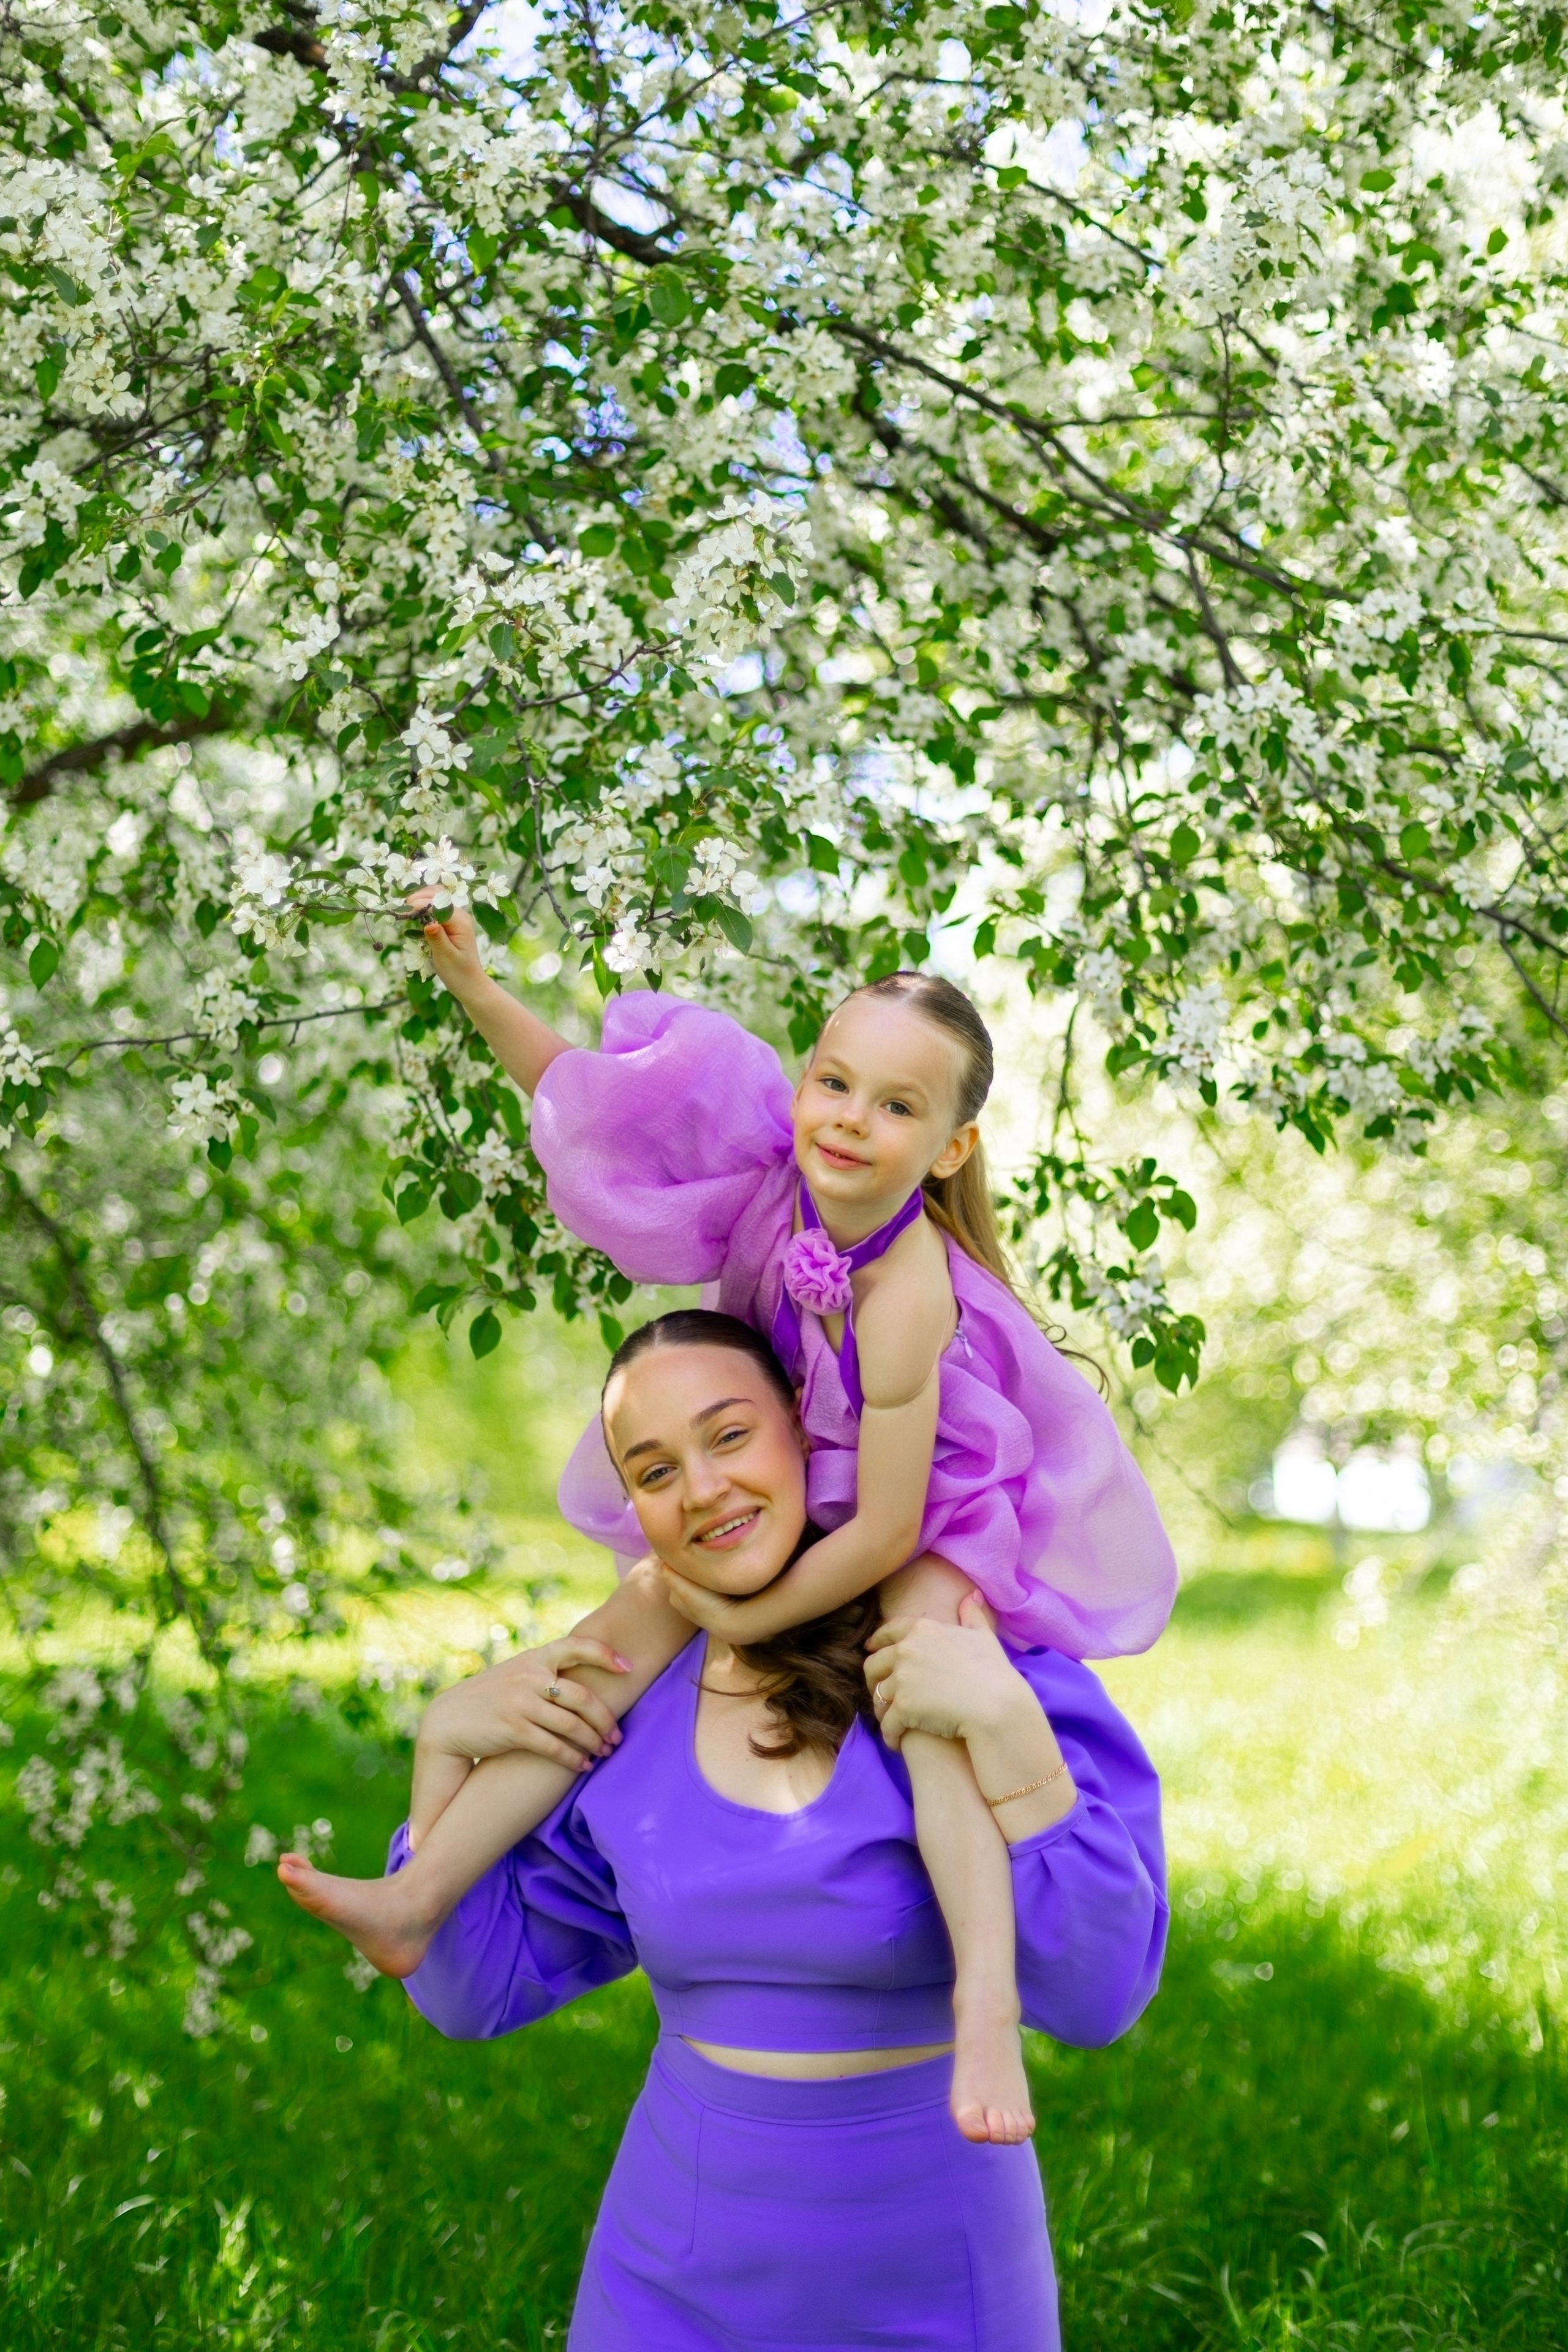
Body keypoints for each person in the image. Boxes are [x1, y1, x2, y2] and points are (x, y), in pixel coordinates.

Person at [287, 901, 1176, 2143]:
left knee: (928, 1696)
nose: (849, 1119)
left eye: (896, 1107)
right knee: (603, 1658)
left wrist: (748, 1616)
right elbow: (588, 1101)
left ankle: (982, 2003)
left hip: (928, 1509)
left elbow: (885, 1531)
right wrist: (477, 990)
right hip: (797, 1473)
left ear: (950, 1149)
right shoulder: (772, 1176)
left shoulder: (907, 1294)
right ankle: (421, 1891)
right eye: (834, 1081)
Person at [357, 1312, 1168, 2351]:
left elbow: (1098, 1997)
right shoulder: (628, 1719)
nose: (702, 1489)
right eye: (655, 1471)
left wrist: (1012, 1733)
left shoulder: (967, 1664)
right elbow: (470, 1995)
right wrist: (441, 1756)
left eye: (730, 1435)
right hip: (669, 2283)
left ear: (804, 1425)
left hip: (937, 2279)